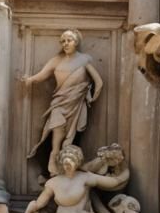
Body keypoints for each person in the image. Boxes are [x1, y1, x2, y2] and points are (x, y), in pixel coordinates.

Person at [20, 29, 103, 175]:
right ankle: (52, 168)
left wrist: (91, 98)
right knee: (56, 138)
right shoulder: (57, 60)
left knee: (69, 140)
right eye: (63, 41)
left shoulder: (84, 59)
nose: (65, 43)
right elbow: (41, 75)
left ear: (76, 42)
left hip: (76, 104)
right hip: (59, 103)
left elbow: (99, 82)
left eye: (69, 40)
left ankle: (66, 170)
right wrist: (30, 80)